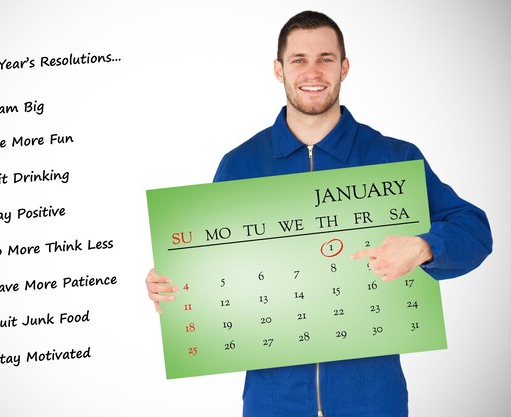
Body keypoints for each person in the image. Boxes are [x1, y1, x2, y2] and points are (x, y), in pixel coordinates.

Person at [146, 10, 492, 417]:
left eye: (325, 59)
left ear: (344, 67)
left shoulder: (392, 158)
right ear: (279, 70)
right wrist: (169, 284)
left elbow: (475, 230)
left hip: (372, 398)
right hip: (273, 401)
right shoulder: (240, 166)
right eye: (299, 60)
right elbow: (209, 271)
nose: (313, 71)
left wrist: (424, 247)